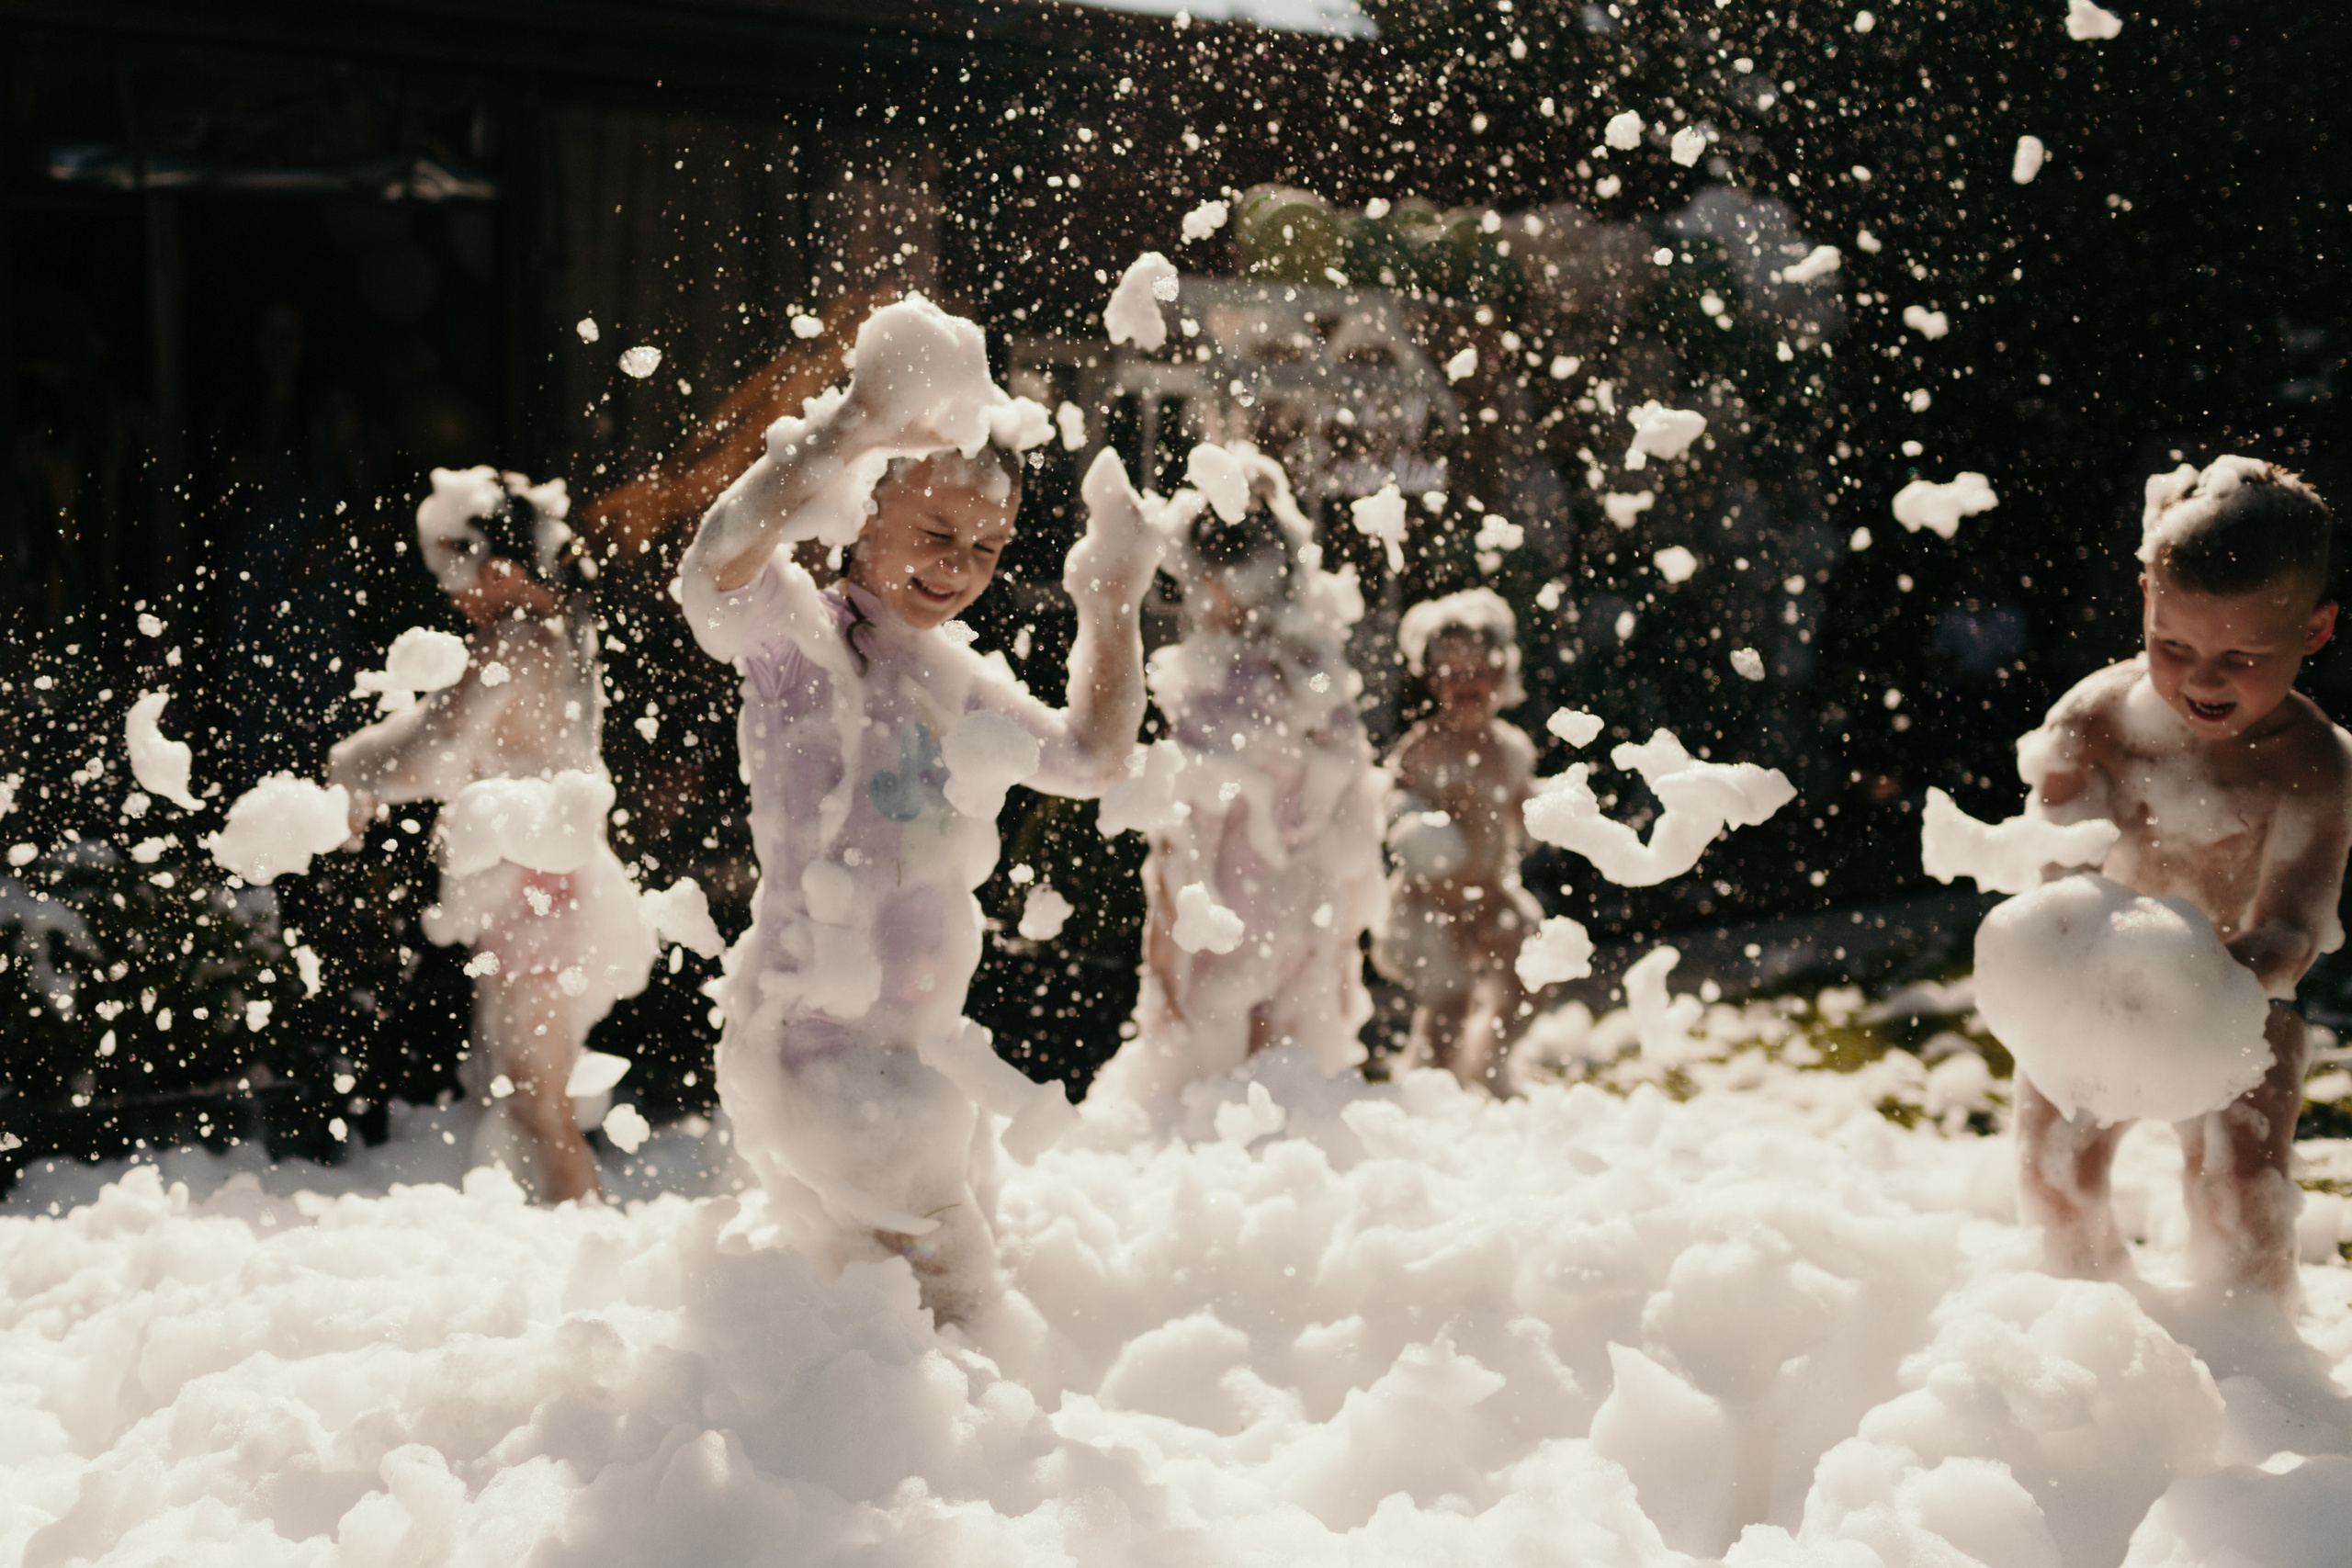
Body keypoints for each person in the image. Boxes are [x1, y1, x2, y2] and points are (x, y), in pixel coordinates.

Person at [674, 295, 1168, 1326]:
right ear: (861, 514)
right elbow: (713, 566)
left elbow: (1093, 758)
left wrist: (1112, 599)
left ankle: (818, 1414)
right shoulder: (805, 648)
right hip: (817, 1049)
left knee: (868, 1309)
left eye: (987, 548)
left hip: (913, 1059)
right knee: (958, 1300)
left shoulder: (952, 680)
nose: (959, 565)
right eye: (938, 532)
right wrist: (850, 429)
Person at [2017, 455, 2351, 1304]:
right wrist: (2083, 978)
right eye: (2173, 646)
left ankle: (2253, 1346)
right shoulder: (2095, 723)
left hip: (2242, 1003)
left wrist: (2205, 990)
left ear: (2314, 630)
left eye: (2241, 654)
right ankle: (2082, 1323)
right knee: (2056, 1177)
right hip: (2094, 994)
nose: (2202, 677)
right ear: (2146, 599)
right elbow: (2051, 886)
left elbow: (2294, 926)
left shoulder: (2312, 762)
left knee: (2244, 1193)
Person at [328, 468, 656, 1204]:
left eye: (455, 571)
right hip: (546, 889)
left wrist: (349, 768)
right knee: (526, 1092)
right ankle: (558, 1227)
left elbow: (434, 750)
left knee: (536, 1099)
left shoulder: (514, 640)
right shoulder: (559, 631)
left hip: (540, 898)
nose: (451, 594)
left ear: (502, 567)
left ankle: (585, 1231)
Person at [1091, 446, 1387, 1105]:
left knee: (1221, 1090)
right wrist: (1343, 943)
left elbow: (1183, 835)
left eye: (1201, 579)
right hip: (1292, 911)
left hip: (1241, 911)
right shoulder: (1313, 674)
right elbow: (1350, 821)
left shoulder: (1221, 680)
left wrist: (1163, 954)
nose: (1200, 595)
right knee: (1278, 1085)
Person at [1372, 589, 1541, 1095]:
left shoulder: (1511, 750)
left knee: (1532, 978)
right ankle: (1431, 1088)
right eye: (1452, 673)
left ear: (1503, 674)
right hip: (1429, 903)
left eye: (1479, 671)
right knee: (1450, 1001)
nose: (1467, 685)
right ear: (1432, 681)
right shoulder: (1422, 749)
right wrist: (1412, 822)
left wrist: (1554, 814)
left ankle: (1487, 1066)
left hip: (1490, 895)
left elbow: (1525, 813)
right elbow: (1396, 814)